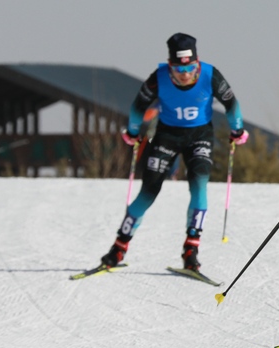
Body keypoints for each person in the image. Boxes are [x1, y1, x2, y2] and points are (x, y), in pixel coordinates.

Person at [100, 33, 249, 272]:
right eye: (179, 69)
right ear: (170, 66)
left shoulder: (210, 75)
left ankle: (191, 249)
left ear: (197, 62)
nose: (185, 74)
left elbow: (231, 104)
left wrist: (237, 130)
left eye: (190, 68)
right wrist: (133, 132)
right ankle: (119, 247)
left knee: (199, 185)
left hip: (199, 136)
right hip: (167, 136)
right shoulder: (158, 78)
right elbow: (138, 107)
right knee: (148, 191)